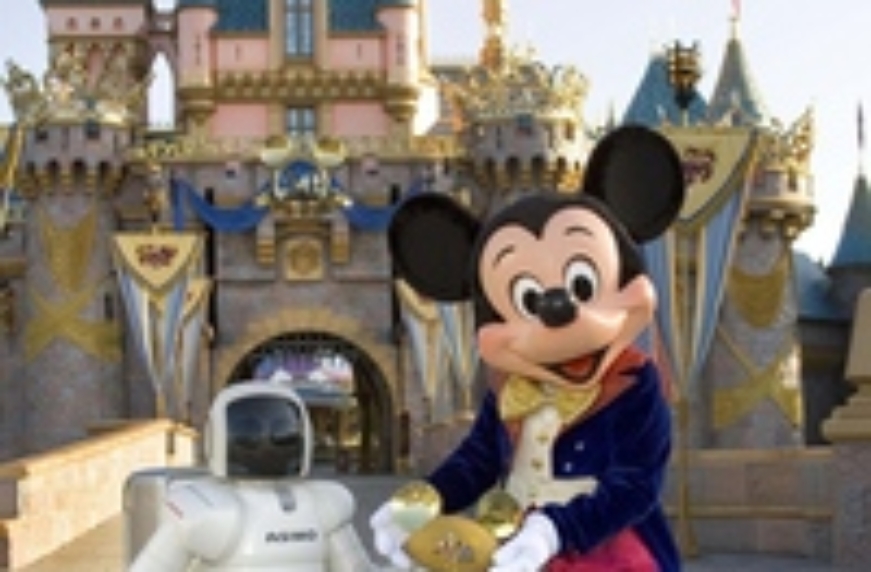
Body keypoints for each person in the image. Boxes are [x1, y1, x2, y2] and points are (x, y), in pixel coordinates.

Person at [129, 381, 375, 571]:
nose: (267, 442)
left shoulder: (324, 504)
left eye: (280, 429)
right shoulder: (203, 510)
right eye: (251, 429)